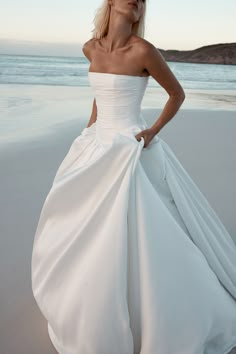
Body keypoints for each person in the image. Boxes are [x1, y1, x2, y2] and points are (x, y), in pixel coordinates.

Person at [31, 0, 236, 353]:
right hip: (98, 144)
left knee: (146, 228)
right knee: (84, 224)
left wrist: (152, 131)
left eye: (142, 0)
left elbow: (177, 94)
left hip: (132, 146)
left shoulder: (143, 50)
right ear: (111, 2)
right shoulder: (90, 47)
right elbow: (100, 97)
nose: (136, 1)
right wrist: (89, 132)